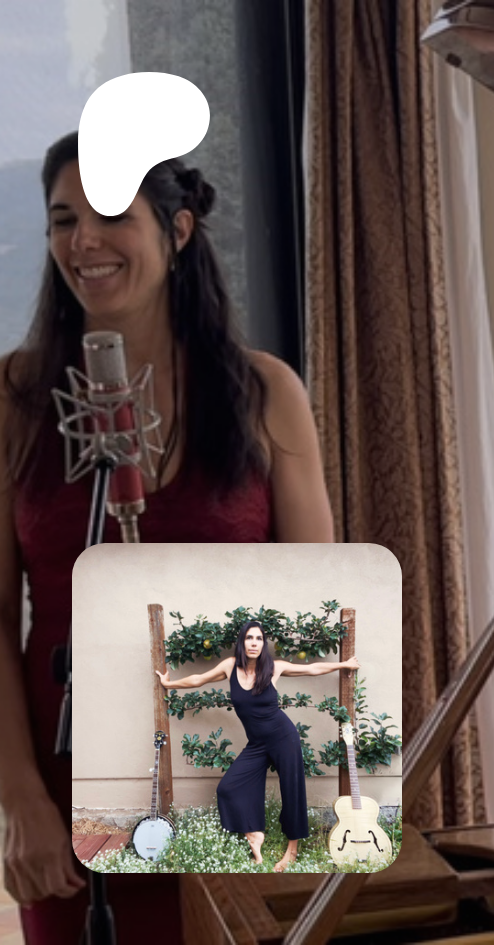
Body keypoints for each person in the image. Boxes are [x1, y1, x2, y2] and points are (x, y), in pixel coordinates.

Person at [0, 132, 334, 943]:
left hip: (239, 790)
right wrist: (20, 800)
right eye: (63, 220)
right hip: (71, 801)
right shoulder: (14, 397)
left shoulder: (264, 393)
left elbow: (320, 626)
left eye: (110, 214)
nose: (84, 240)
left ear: (177, 229)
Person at [156, 620, 359, 872]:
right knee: (228, 787)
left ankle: (292, 850)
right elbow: (199, 679)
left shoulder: (273, 668)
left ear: (263, 644)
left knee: (292, 791)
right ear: (242, 642)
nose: (254, 643)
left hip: (284, 737)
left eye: (259, 639)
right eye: (249, 638)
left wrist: (344, 664)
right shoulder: (230, 666)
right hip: (257, 744)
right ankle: (254, 832)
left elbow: (312, 668)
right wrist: (169, 684)